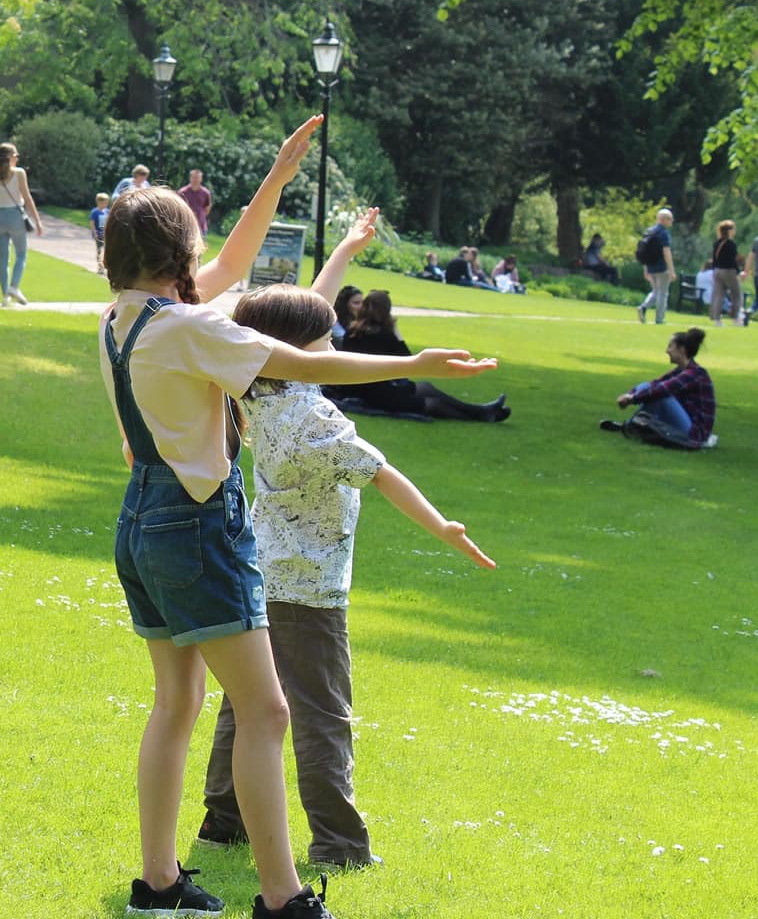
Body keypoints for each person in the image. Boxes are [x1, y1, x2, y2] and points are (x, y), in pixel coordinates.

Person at [97, 124, 497, 919]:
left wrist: (279, 175)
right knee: (271, 711)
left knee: (176, 704)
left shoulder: (122, 317)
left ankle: (159, 883)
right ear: (178, 251)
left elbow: (232, 269)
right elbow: (308, 363)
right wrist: (412, 364)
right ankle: (283, 901)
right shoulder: (194, 327)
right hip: (195, 524)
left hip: (139, 516)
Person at [201, 279, 495, 868]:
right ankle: (339, 846)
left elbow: (282, 322)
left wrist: (341, 257)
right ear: (298, 349)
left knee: (246, 702)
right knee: (323, 713)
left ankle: (223, 821)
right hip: (311, 591)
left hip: (259, 575)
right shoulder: (315, 419)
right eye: (328, 341)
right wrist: (442, 527)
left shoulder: (253, 394)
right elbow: (381, 473)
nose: (337, 351)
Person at [335, 292, 510, 421]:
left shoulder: (353, 331)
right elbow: (408, 361)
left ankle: (482, 411)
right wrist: (397, 332)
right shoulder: (384, 335)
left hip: (366, 387)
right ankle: (479, 414)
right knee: (432, 403)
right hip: (378, 392)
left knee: (425, 387)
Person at [602, 328, 715, 447]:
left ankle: (632, 426)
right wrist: (629, 394)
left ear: (681, 349)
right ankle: (633, 426)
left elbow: (663, 390)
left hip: (694, 434)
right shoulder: (681, 371)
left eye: (670, 346)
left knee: (660, 396)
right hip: (686, 423)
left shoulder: (695, 374)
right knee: (648, 387)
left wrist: (632, 399)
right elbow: (654, 383)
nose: (667, 351)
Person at [0, 142, 43, 306]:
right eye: (15, 155)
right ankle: (14, 286)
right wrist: (37, 221)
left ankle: (5, 295)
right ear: (10, 158)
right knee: (21, 254)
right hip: (15, 215)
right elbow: (27, 197)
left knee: (3, 257)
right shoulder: (18, 173)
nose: (17, 158)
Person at [636, 208, 676, 323]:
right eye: (670, 219)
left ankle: (643, 307)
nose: (672, 221)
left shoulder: (649, 231)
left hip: (650, 267)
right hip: (662, 267)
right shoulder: (663, 233)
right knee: (662, 293)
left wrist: (645, 269)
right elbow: (666, 252)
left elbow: (643, 252)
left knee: (655, 291)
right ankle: (659, 318)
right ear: (663, 220)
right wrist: (671, 270)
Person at [707, 220, 744, 326]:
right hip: (729, 271)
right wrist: (738, 271)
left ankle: (716, 319)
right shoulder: (731, 244)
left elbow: (714, 258)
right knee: (736, 295)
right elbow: (733, 260)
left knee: (718, 295)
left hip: (717, 270)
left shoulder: (717, 243)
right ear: (729, 231)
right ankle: (735, 318)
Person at [178, 168, 213, 234]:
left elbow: (207, 208)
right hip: (185, 226)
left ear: (201, 179)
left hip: (201, 227)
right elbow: (178, 208)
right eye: (194, 177)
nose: (195, 179)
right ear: (190, 178)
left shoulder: (206, 193)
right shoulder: (182, 192)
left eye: (197, 177)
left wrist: (201, 215)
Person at [90, 191, 111, 271]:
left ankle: (104, 264)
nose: (105, 204)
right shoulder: (95, 212)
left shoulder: (107, 212)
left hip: (105, 234)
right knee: (99, 249)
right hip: (98, 234)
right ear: (99, 202)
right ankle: (99, 265)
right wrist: (94, 232)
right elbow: (92, 223)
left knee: (106, 250)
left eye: (106, 203)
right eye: (104, 203)